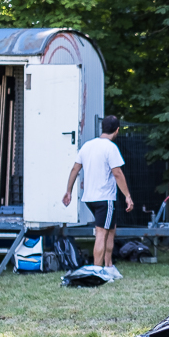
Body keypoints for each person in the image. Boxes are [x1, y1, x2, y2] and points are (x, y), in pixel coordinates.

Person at [63, 115, 135, 278]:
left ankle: (109, 267)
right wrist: (128, 196)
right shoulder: (110, 148)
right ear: (117, 130)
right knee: (102, 232)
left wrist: (69, 191)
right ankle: (97, 271)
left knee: (110, 229)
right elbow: (117, 173)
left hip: (90, 197)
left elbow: (75, 169)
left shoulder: (87, 146)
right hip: (105, 198)